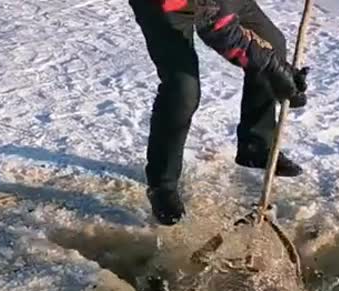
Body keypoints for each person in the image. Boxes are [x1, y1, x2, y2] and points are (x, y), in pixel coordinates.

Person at [129, 0, 309, 225]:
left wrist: (274, 67)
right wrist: (272, 69)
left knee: (272, 43)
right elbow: (218, 29)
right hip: (163, 8)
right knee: (182, 89)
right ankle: (162, 186)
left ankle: (256, 143)